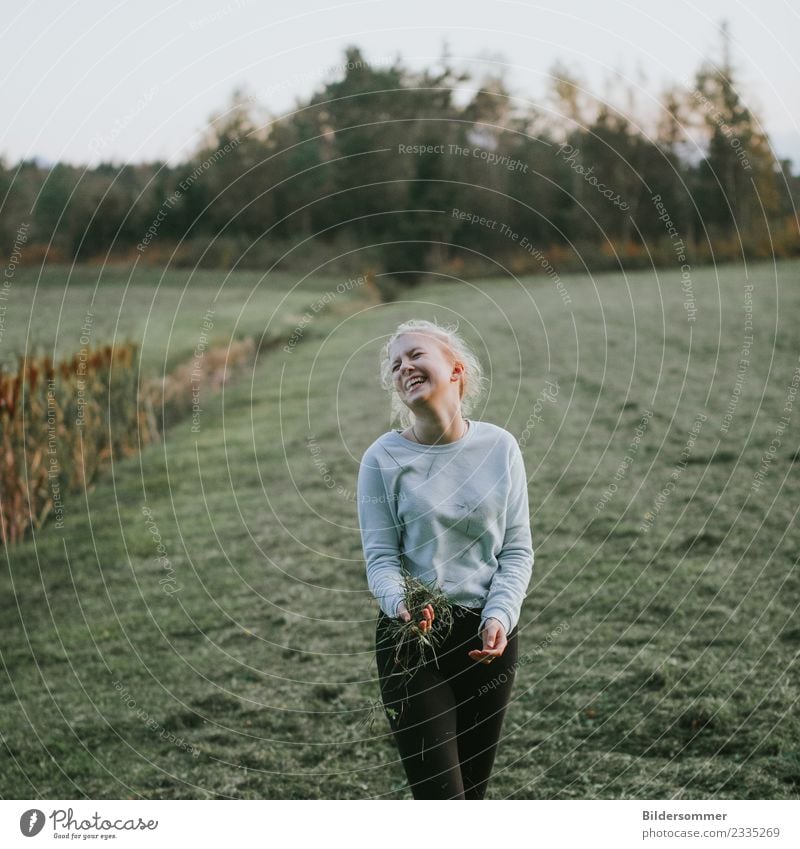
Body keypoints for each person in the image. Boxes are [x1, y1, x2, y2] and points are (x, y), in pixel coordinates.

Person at [356, 318, 534, 800]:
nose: (404, 367)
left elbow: (516, 549)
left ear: (456, 370)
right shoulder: (382, 459)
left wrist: (500, 616)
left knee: (472, 797)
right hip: (412, 640)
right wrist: (402, 605)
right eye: (395, 364)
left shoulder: (500, 447)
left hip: (488, 641)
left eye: (416, 355)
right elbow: (380, 561)